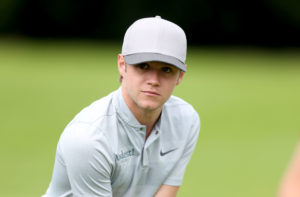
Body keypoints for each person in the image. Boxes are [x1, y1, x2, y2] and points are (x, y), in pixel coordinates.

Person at [42, 16, 200, 197]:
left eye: (166, 70)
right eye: (143, 65)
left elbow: (166, 191)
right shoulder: (88, 138)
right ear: (122, 65)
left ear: (180, 76)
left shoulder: (187, 120)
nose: (154, 81)